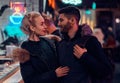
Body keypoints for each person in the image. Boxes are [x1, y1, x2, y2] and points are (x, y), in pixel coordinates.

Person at [57, 6, 113, 83]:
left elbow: (106, 70)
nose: (58, 24)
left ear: (72, 20)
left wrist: (84, 57)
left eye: (61, 20)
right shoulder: (62, 44)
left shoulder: (90, 42)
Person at [13, 11, 69, 83]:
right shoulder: (25, 48)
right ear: (32, 28)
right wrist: (54, 74)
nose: (45, 27)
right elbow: (29, 80)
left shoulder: (48, 42)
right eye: (42, 24)